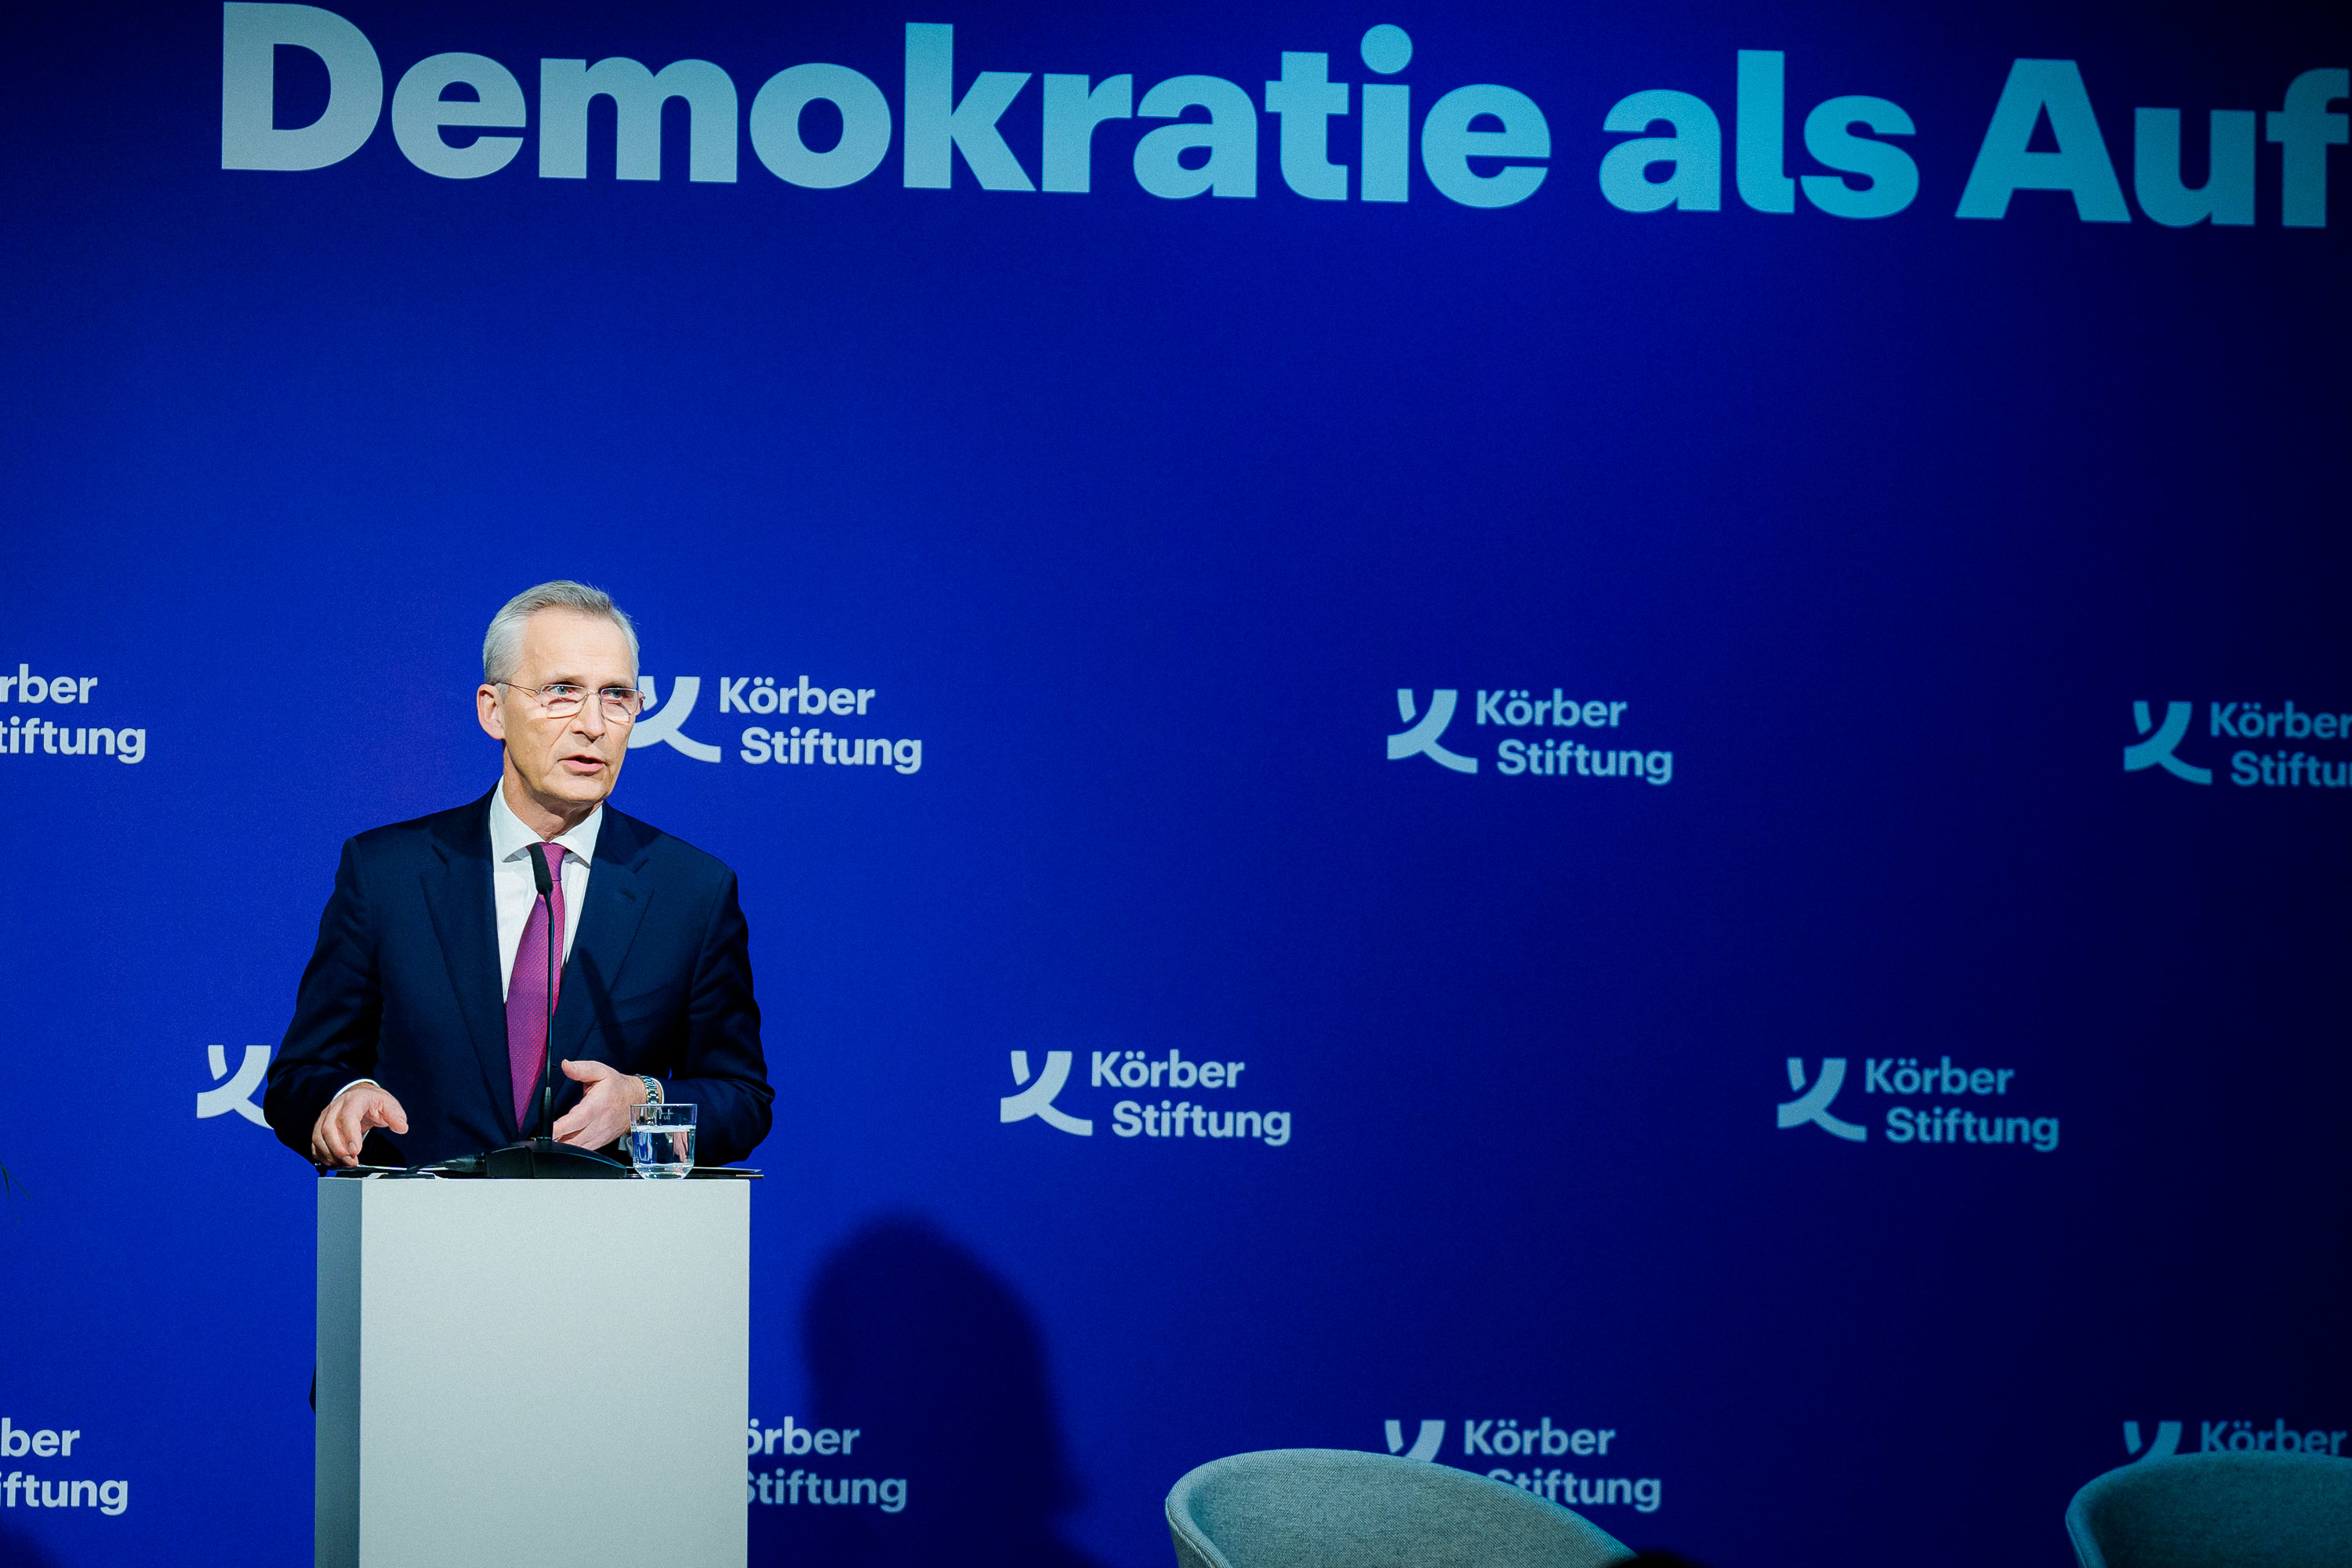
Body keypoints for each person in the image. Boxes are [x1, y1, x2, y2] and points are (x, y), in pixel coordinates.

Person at [263, 581, 771, 1169]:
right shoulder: (387, 874)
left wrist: (644, 1100)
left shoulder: (692, 892)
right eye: (561, 692)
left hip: (607, 1248)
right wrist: (343, 1097)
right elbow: (300, 1076)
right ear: (493, 710)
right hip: (420, 1245)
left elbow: (742, 1098)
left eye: (616, 697)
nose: (592, 724)